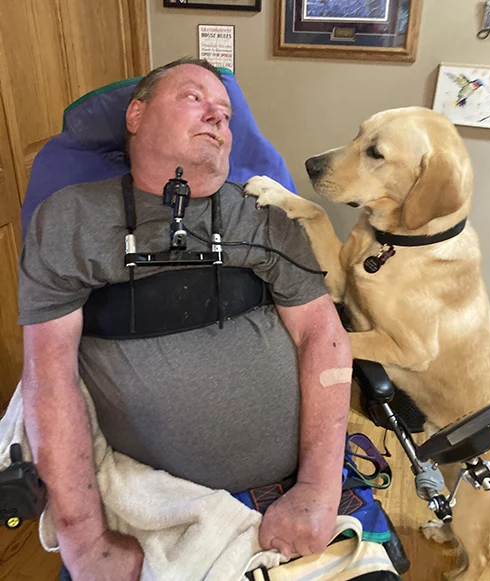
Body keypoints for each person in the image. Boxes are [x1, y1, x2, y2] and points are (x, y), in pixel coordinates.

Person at [18, 57, 352, 581]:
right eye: (194, 98)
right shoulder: (68, 220)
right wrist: (84, 541)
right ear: (135, 114)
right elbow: (48, 375)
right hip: (148, 506)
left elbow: (322, 334)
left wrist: (317, 488)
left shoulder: (266, 214)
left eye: (224, 111)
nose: (218, 117)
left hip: (291, 492)